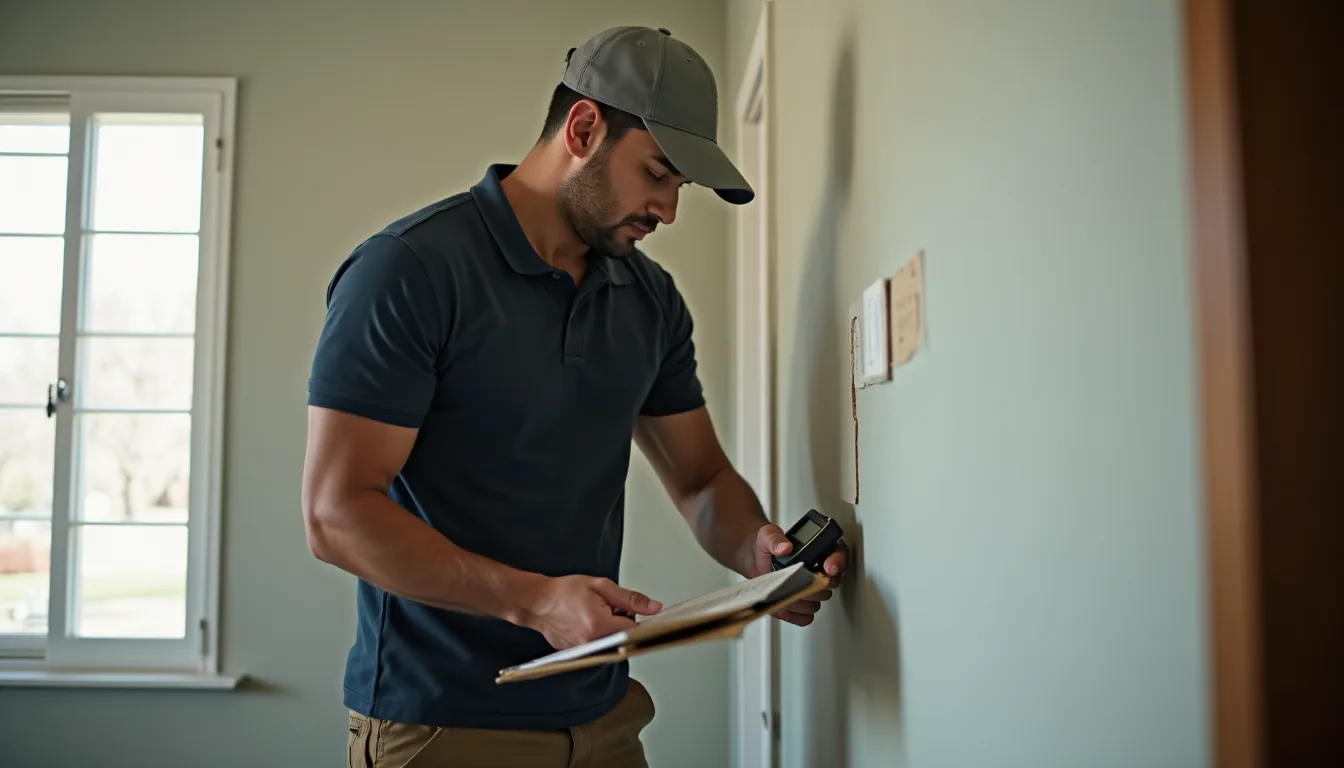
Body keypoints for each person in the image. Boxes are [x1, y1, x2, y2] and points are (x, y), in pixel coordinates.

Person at [301, 25, 849, 768]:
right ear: (584, 127)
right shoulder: (409, 272)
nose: (669, 209)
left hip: (604, 717)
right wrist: (535, 602)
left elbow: (700, 481)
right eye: (658, 172)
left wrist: (757, 549)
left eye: (680, 186)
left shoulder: (650, 301)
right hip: (442, 724)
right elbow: (336, 515)